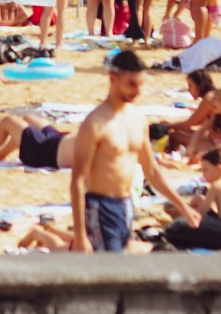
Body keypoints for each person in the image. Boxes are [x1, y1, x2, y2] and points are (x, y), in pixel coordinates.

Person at [70, 51, 198, 252]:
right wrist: (80, 235)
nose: (137, 91)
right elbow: (77, 180)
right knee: (111, 270)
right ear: (113, 79)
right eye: (131, 84)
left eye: (141, 84)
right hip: (100, 206)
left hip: (126, 204)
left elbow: (152, 172)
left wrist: (184, 207)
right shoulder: (95, 123)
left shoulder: (139, 120)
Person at [0, 111, 78, 169]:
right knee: (28, 118)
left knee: (8, 121)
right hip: (56, 139)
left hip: (44, 152)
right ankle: (0, 155)